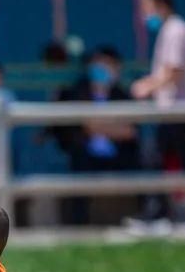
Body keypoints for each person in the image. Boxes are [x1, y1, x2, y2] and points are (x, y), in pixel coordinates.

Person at [131, 0, 185, 220]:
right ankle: (174, 212)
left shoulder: (177, 30)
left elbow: (174, 72)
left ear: (161, 6)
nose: (145, 15)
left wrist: (145, 88)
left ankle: (163, 213)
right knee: (175, 160)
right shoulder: (170, 30)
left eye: (147, 9)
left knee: (164, 159)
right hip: (173, 110)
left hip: (182, 109)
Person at [54, 45, 141, 223]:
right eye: (98, 63)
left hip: (119, 155)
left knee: (145, 165)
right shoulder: (76, 91)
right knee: (78, 166)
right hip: (85, 155)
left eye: (108, 64)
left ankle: (143, 218)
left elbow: (130, 132)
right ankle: (78, 225)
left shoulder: (122, 94)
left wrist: (100, 126)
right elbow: (86, 126)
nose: (101, 69)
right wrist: (113, 126)